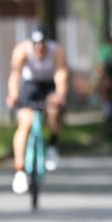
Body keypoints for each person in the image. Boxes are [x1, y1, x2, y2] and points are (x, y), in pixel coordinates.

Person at [6, 25, 69, 194]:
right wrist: (13, 94)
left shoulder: (56, 51)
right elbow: (15, 75)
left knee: (53, 113)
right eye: (36, 45)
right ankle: (19, 171)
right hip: (30, 85)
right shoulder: (22, 51)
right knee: (25, 123)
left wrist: (60, 94)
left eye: (42, 45)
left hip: (49, 84)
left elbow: (61, 74)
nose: (39, 48)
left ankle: (52, 146)